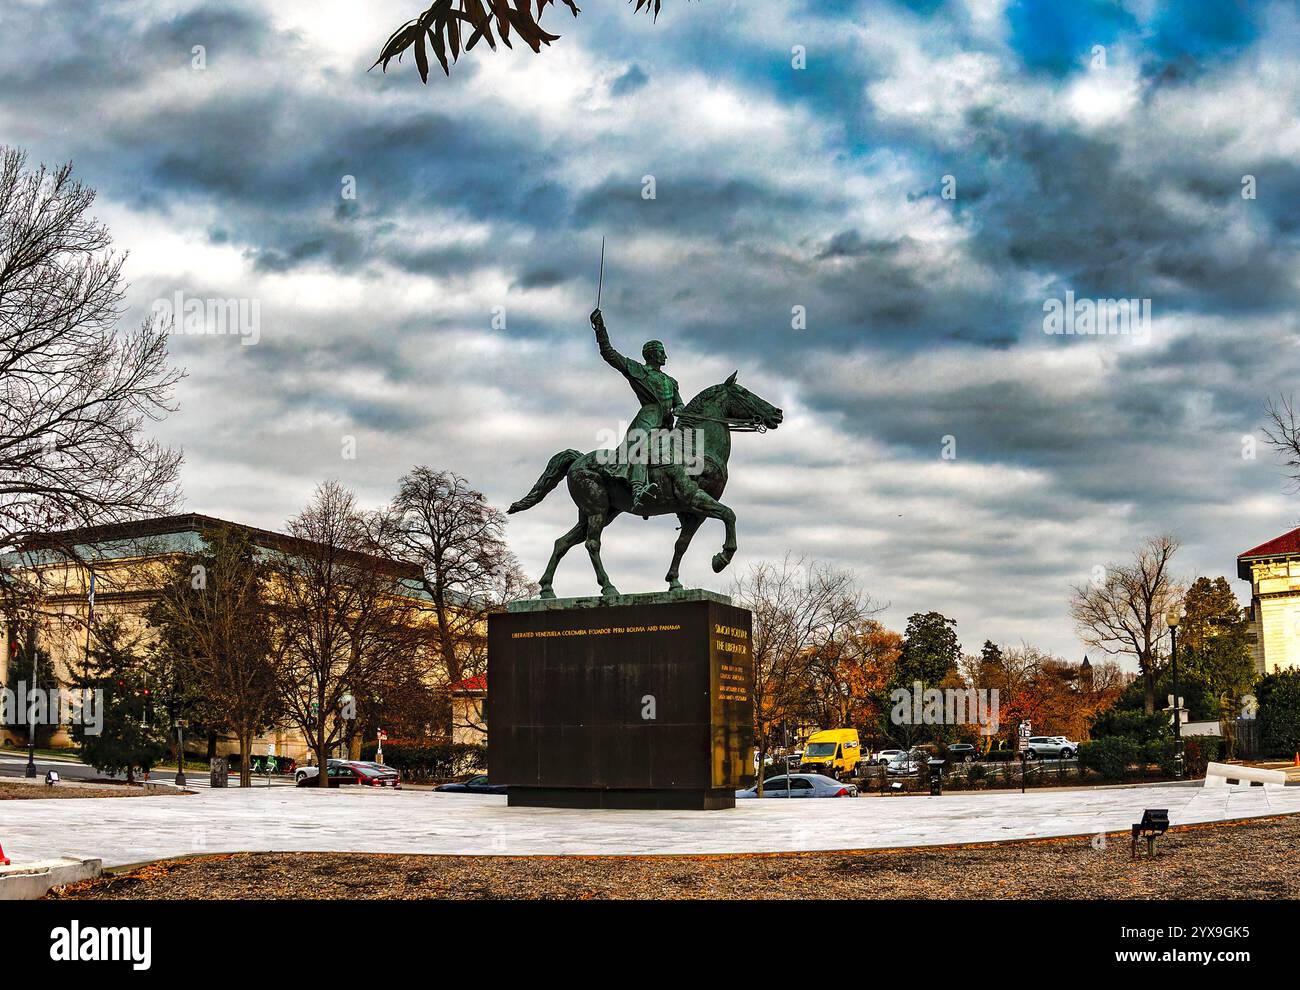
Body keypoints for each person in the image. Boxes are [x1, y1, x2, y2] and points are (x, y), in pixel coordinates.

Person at [590, 307, 684, 511]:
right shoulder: (638, 371)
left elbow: (679, 403)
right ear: (651, 354)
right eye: (661, 352)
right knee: (643, 448)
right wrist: (600, 329)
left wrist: (680, 410)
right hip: (648, 420)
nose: (665, 356)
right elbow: (610, 354)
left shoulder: (671, 381)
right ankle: (638, 489)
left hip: (667, 425)